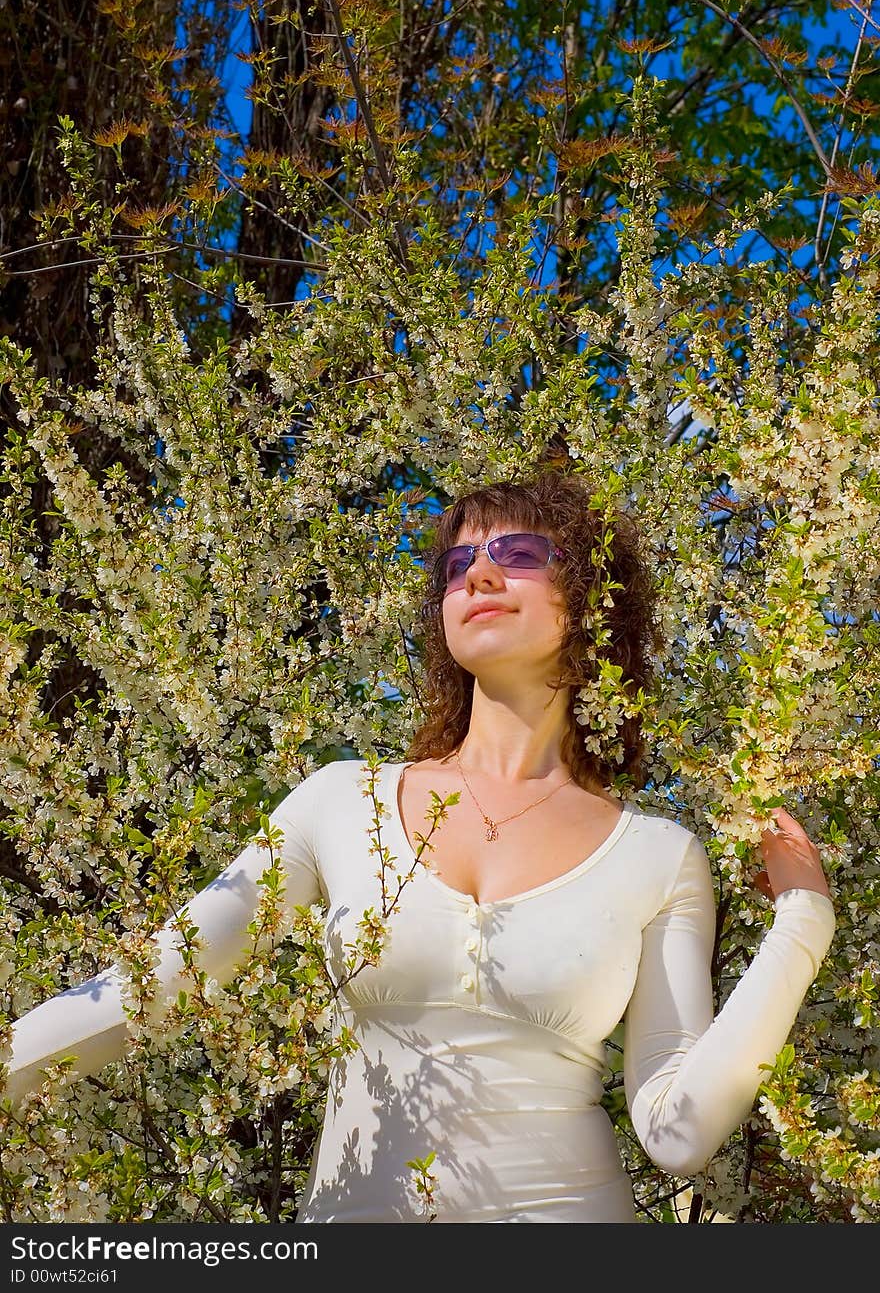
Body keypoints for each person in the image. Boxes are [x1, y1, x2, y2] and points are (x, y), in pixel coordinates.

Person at [2, 468, 835, 1223]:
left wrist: (803, 925)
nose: (477, 572)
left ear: (589, 599)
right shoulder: (339, 801)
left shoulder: (658, 854)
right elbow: (148, 985)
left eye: (518, 551)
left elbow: (677, 1130)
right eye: (458, 562)